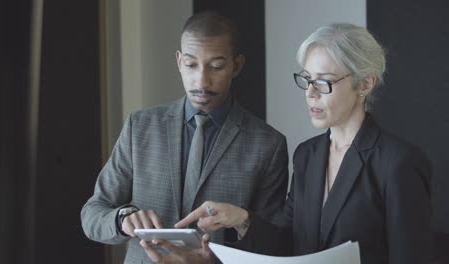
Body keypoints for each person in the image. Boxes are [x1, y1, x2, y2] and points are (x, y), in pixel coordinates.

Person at [177, 23, 432, 264]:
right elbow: (287, 243)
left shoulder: (398, 162)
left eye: (324, 81)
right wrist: (241, 219)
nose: (310, 92)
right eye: (307, 79)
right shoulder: (307, 155)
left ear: (365, 84)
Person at [80, 11, 289, 264]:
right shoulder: (140, 127)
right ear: (179, 61)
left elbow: (275, 244)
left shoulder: (268, 144)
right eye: (191, 65)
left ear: (237, 65)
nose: (201, 80)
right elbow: (92, 214)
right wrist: (122, 219)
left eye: (216, 66)